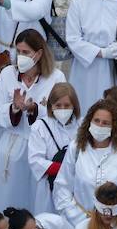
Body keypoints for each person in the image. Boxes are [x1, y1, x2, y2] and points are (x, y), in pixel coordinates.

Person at [0, 28, 64, 211]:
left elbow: (62, 113)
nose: (20, 56)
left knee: (36, 199)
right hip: (12, 144)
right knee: (8, 198)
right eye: (18, 51)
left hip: (41, 147)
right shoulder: (8, 74)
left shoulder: (56, 78)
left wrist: (35, 109)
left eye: (26, 52)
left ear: (38, 53)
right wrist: (14, 108)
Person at [52, 99, 117, 228]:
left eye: (106, 123)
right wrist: (76, 218)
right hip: (81, 222)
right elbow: (63, 186)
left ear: (114, 127)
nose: (100, 125)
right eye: (96, 121)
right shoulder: (76, 147)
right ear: (89, 121)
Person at [25, 82, 79, 215]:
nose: (62, 109)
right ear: (51, 106)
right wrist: (64, 169)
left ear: (74, 106)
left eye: (67, 105)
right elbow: (36, 160)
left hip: (77, 186)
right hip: (48, 187)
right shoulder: (40, 127)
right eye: (58, 106)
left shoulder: (82, 125)